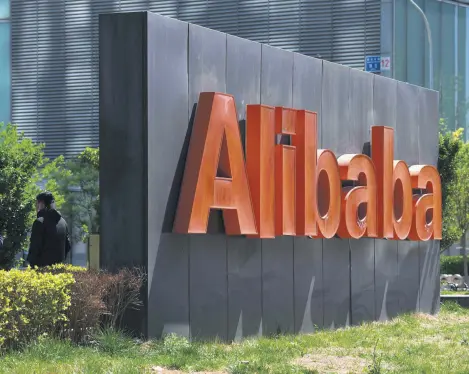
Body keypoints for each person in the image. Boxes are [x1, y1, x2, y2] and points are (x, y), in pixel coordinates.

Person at [27, 192, 71, 267]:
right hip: (59, 269)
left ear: (41, 203)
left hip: (42, 269)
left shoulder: (40, 222)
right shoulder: (63, 222)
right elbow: (68, 246)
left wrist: (32, 265)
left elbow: (35, 247)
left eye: (37, 204)